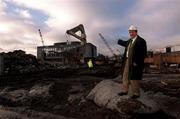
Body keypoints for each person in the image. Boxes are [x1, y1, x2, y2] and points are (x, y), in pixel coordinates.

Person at [118, 25, 147, 99]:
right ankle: (125, 91)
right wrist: (119, 41)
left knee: (134, 78)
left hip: (135, 62)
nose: (131, 34)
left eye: (132, 32)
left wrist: (137, 62)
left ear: (136, 32)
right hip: (127, 60)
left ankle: (136, 93)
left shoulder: (141, 41)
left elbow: (143, 53)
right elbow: (125, 43)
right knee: (125, 75)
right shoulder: (129, 41)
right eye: (130, 32)